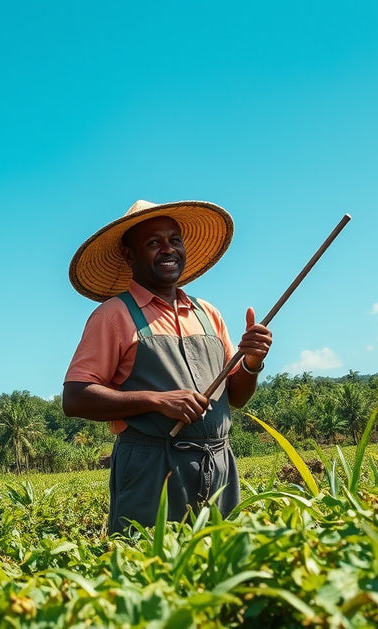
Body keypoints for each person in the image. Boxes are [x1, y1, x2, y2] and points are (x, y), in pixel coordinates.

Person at [62, 200, 272, 536]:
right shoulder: (114, 316)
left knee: (223, 565)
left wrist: (252, 362)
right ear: (129, 255)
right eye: (153, 242)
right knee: (148, 571)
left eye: (174, 240)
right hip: (151, 469)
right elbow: (75, 398)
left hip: (218, 466)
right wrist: (157, 400)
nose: (168, 249)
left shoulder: (208, 314)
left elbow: (236, 396)